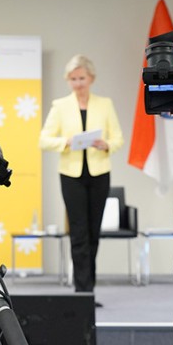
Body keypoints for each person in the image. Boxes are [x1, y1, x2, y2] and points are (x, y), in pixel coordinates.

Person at [40, 55, 124, 294]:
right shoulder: (60, 106)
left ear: (91, 78)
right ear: (68, 80)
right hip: (71, 175)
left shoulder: (104, 104)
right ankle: (82, 291)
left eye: (82, 78)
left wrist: (106, 144)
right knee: (78, 233)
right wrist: (65, 142)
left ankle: (89, 287)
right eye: (73, 79)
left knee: (93, 233)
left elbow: (118, 139)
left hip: (99, 174)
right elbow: (44, 140)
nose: (78, 83)